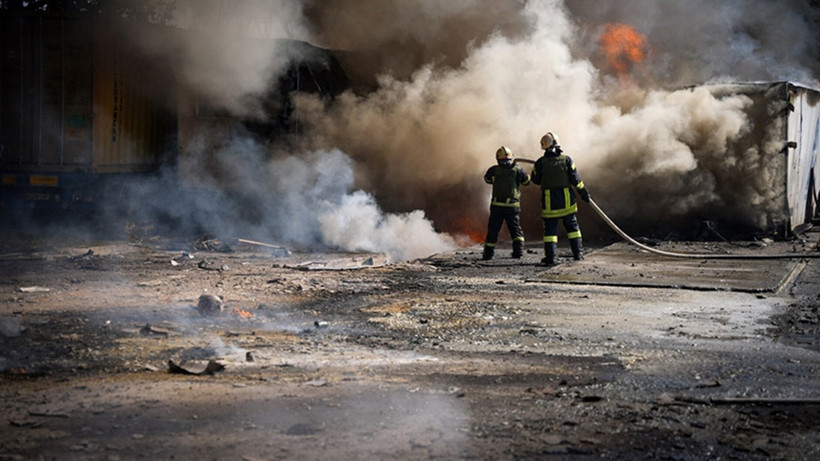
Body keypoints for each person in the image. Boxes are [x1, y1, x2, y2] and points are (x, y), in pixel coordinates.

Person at [530, 132, 590, 266]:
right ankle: (578, 254)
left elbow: (535, 180)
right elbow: (576, 180)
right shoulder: (567, 160)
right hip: (567, 201)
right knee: (573, 229)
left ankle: (550, 258)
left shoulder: (540, 163)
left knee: (550, 232)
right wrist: (584, 193)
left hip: (550, 203)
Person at [482, 146, 531, 260]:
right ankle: (518, 252)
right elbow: (527, 181)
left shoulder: (493, 170)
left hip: (497, 206)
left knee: (493, 230)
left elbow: (487, 180)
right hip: (512, 206)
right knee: (515, 229)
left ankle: (488, 254)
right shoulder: (517, 170)